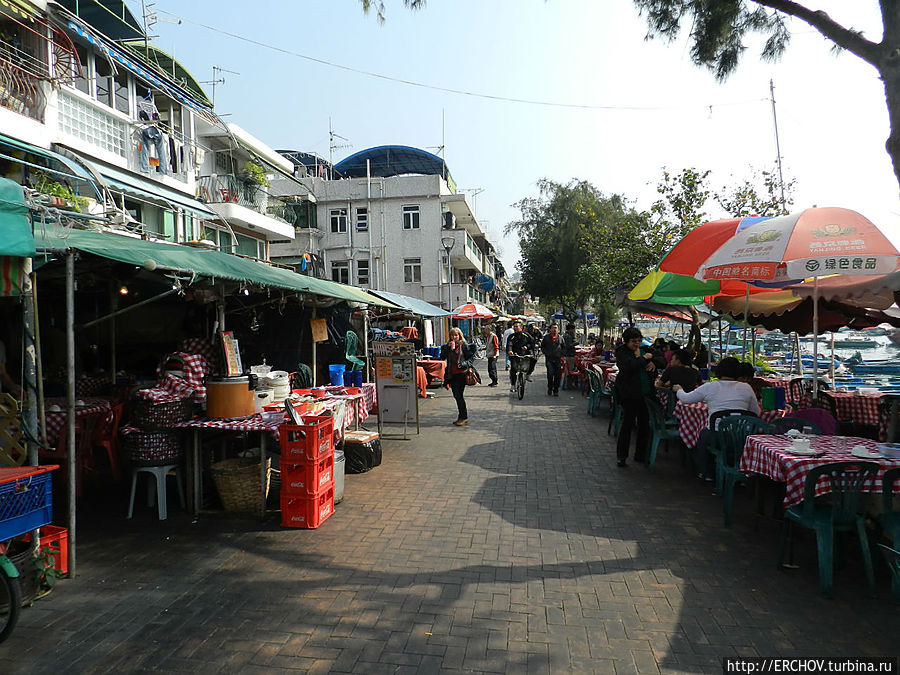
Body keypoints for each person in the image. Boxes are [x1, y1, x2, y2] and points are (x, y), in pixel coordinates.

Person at [673, 356, 760, 479]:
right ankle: (740, 470)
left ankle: (706, 472)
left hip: (716, 436)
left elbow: (686, 399)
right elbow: (756, 412)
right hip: (741, 437)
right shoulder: (746, 387)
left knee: (702, 435)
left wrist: (679, 390)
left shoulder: (710, 386)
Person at [614, 327, 664, 467]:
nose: (637, 344)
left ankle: (640, 454)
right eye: (633, 341)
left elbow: (663, 360)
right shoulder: (622, 352)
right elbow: (629, 366)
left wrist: (653, 361)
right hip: (629, 395)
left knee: (644, 425)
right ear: (626, 341)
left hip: (646, 394)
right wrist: (645, 358)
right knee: (627, 425)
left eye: (638, 341)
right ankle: (622, 456)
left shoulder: (647, 350)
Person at [440, 327, 477, 426]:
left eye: (456, 335)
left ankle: (463, 417)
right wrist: (448, 348)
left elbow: (471, 358)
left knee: (459, 395)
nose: (454, 337)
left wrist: (464, 364)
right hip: (451, 374)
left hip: (462, 374)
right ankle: (461, 416)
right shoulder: (447, 346)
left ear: (459, 336)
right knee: (456, 396)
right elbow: (442, 357)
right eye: (452, 335)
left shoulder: (463, 345)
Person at [506, 321, 535, 392]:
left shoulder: (526, 335)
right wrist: (510, 351)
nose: (515, 328)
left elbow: (532, 343)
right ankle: (513, 385)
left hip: (525, 354)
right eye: (514, 326)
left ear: (521, 327)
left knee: (534, 360)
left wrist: (527, 347)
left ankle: (528, 374)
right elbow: (509, 345)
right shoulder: (511, 336)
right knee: (513, 369)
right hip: (515, 355)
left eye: (517, 326)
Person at [540, 323, 563, 396]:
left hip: (558, 359)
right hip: (549, 359)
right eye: (553, 328)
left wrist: (562, 354)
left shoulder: (560, 338)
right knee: (550, 374)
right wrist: (546, 353)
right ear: (550, 329)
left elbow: (564, 347)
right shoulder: (546, 338)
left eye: (556, 328)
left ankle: (556, 390)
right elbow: (542, 346)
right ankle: (550, 388)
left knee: (558, 375)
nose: (554, 329)